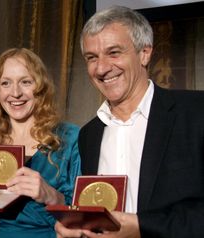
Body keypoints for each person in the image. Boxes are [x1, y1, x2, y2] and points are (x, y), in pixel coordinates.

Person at [55, 5, 204, 238]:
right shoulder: (89, 135)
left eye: (114, 53)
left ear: (144, 53)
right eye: (92, 58)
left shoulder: (196, 113)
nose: (102, 68)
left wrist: (141, 228)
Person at [0, 48, 81, 238]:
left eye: (25, 82)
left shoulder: (69, 138)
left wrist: (52, 196)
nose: (15, 93)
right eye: (6, 83)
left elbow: (85, 219)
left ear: (40, 87)